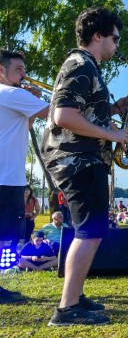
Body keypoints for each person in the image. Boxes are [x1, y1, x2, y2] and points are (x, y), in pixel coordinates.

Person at [39, 7, 128, 325]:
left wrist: (115, 109)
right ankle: (66, 309)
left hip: (82, 158)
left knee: (88, 230)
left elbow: (82, 112)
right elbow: (63, 116)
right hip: (77, 159)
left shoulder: (87, 66)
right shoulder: (79, 65)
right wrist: (113, 133)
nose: (117, 45)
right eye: (114, 38)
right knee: (89, 232)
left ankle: (74, 296)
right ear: (97, 36)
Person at [0, 49, 49, 305]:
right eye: (18, 69)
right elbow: (54, 114)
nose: (24, 74)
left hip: (9, 177)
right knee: (5, 233)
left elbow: (24, 125)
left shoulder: (9, 96)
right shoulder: (11, 93)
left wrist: (33, 103)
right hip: (5, 178)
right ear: (1, 71)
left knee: (6, 233)